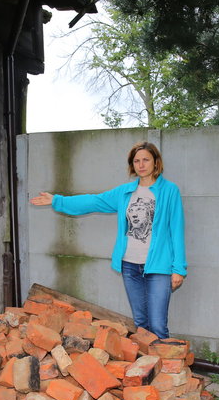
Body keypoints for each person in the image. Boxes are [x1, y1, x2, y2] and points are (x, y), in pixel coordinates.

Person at [30, 141, 186, 339]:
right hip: (130, 265)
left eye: (146, 159)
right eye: (136, 161)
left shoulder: (169, 191)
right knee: (142, 325)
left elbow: (176, 229)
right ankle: (148, 367)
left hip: (159, 267)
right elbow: (94, 201)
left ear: (156, 162)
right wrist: (57, 200)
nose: (141, 164)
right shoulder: (125, 192)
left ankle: (166, 366)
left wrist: (178, 268)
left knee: (157, 325)